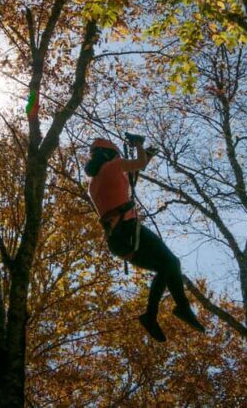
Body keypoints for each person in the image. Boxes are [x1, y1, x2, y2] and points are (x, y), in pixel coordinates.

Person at [85, 135, 205, 342]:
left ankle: (152, 315)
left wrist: (147, 153)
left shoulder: (93, 185)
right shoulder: (114, 165)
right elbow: (137, 165)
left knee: (166, 267)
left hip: (118, 242)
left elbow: (128, 180)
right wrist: (139, 145)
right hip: (129, 230)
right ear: (110, 154)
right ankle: (181, 308)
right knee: (171, 263)